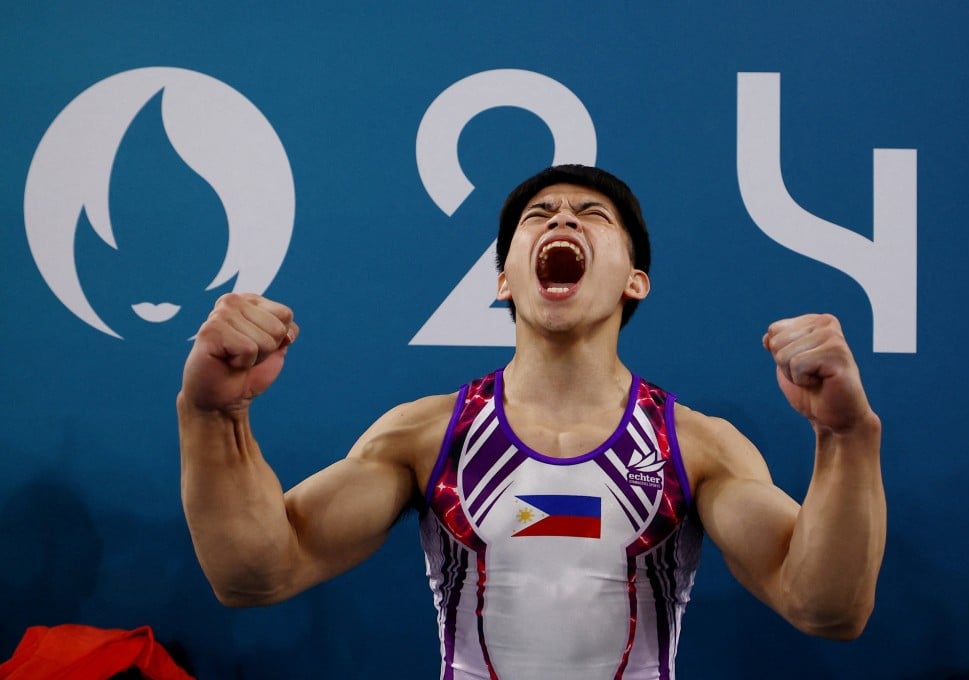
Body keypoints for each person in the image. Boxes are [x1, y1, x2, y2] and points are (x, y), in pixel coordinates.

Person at [178, 165, 886, 679]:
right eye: (538, 215)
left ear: (635, 280)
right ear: (503, 280)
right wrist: (215, 415)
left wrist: (845, 439)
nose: (562, 220)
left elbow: (826, 609)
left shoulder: (698, 447)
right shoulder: (427, 437)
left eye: (592, 214)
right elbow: (256, 574)